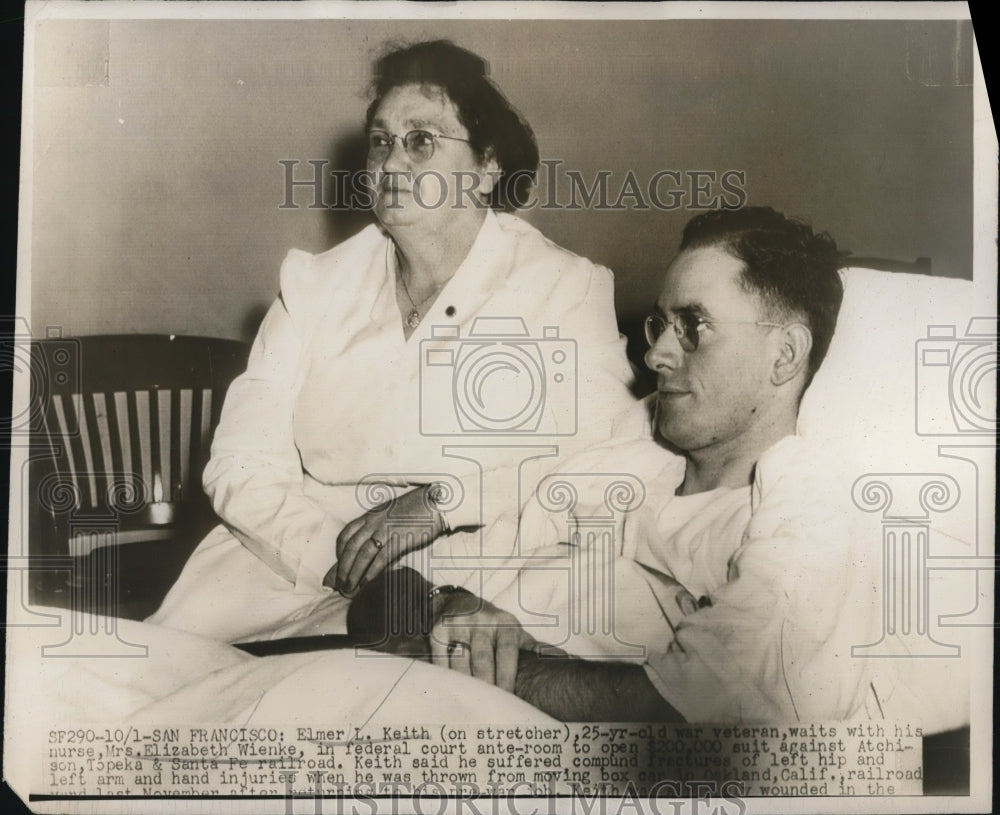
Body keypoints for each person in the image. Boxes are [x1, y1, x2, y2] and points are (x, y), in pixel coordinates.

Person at [146, 40, 636, 643]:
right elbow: (241, 464)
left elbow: (607, 450)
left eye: (421, 140)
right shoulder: (313, 283)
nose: (391, 163)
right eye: (381, 141)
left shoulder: (563, 287)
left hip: (487, 568)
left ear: (486, 168)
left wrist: (440, 502)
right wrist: (335, 558)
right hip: (298, 566)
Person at [354, 206, 891, 722]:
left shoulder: (808, 517)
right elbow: (382, 590)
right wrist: (446, 604)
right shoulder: (627, 460)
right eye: (661, 324)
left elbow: (690, 710)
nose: (656, 354)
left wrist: (490, 666)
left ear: (785, 355)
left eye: (695, 327)